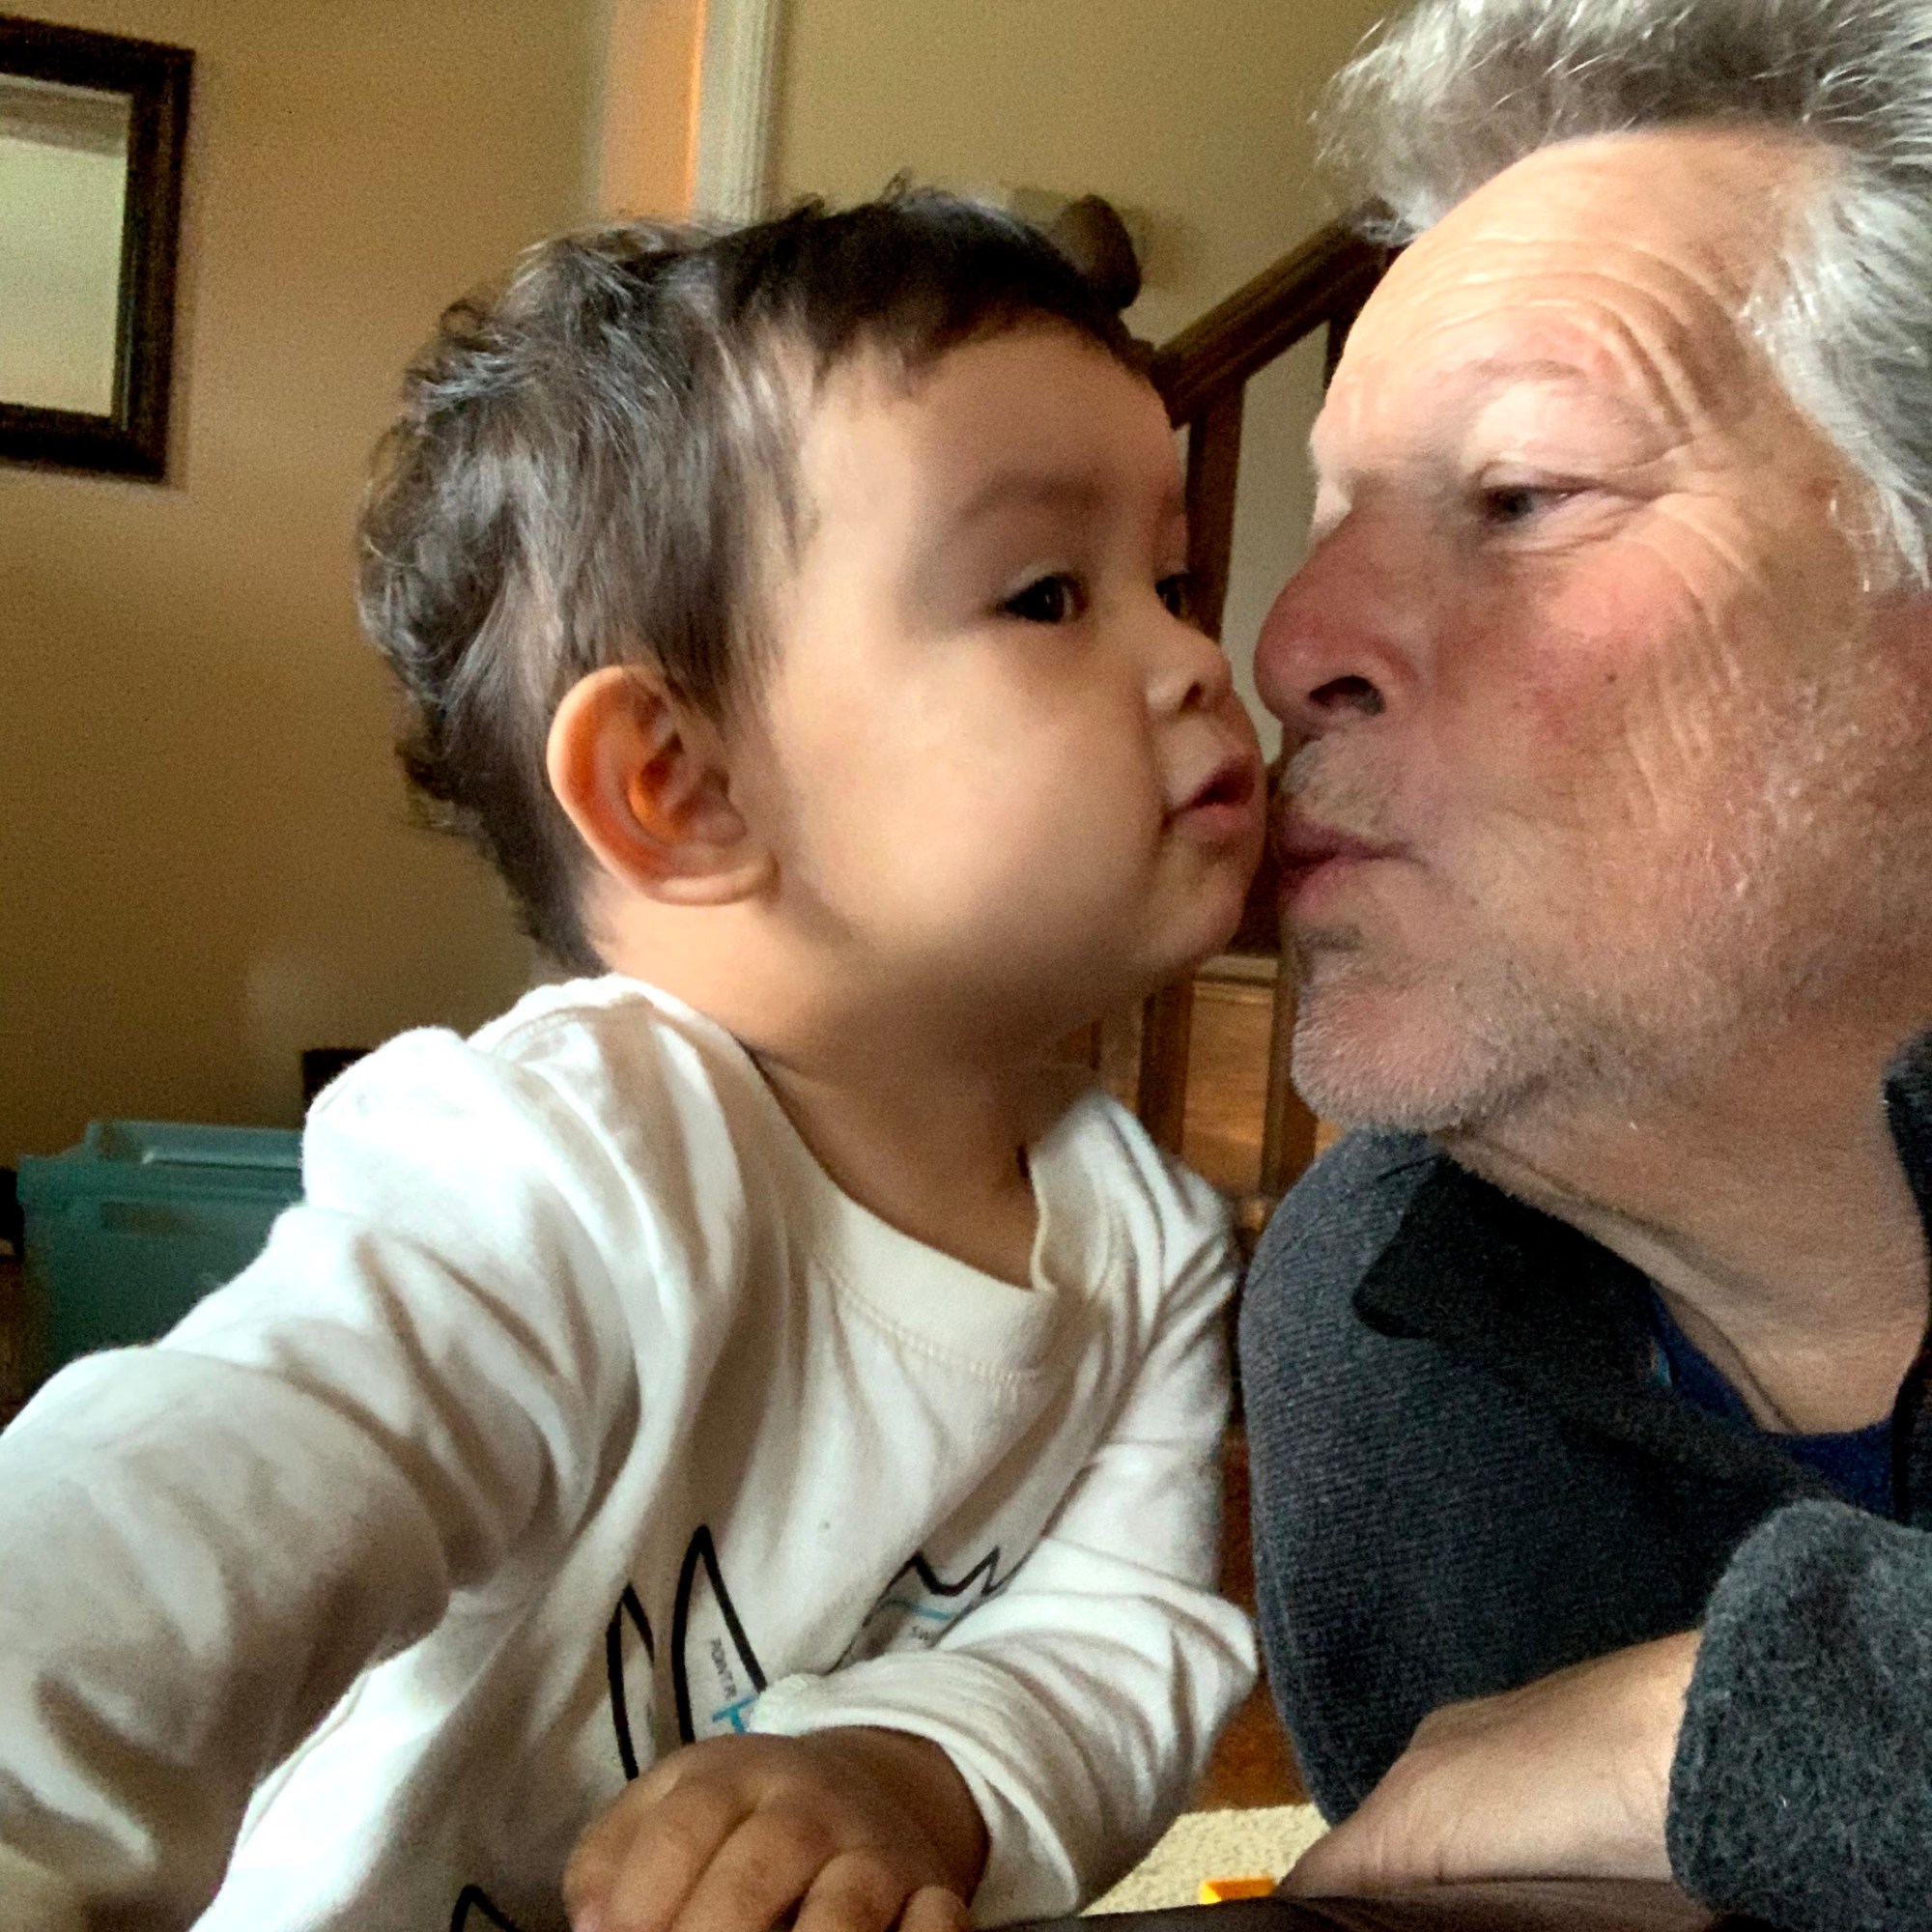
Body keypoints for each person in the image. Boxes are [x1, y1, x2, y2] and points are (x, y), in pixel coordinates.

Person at [0, 194, 1263, 1932]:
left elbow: (1118, 1638)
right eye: (1049, 594)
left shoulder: (1151, 1242)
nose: (1195, 658)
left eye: (1171, 583)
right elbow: (217, 1488)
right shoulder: (567, 1161)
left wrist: (908, 1771)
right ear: (682, 788)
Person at [1238, 3, 1932, 1928]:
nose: (1288, 641)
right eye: (1332, 520)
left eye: (1522, 494)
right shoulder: (1375, 1321)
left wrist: (1715, 1731)